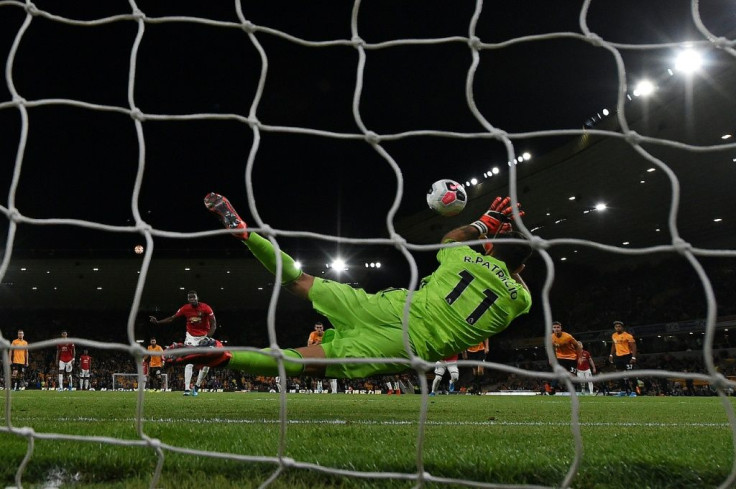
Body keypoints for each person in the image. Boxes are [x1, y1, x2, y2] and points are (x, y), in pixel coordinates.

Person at [165, 192, 532, 381]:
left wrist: (486, 222)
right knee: (301, 362)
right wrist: (513, 252)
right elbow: (513, 274)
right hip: (406, 344)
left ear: (487, 246)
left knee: (301, 279)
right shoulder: (521, 299)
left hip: (390, 307)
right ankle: (225, 355)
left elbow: (453, 236)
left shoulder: (463, 257)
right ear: (523, 266)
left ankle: (247, 235)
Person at [150, 290, 217, 396]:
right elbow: (172, 318)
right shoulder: (185, 308)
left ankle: (196, 386)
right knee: (189, 361)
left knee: (206, 364)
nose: (192, 299)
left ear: (197, 297)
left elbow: (214, 324)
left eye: (193, 297)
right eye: (190, 298)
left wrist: (207, 338)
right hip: (191, 337)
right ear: (188, 299)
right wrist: (158, 322)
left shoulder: (206, 308)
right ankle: (186, 389)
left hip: (204, 337)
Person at [549, 321, 583, 393]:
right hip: (560, 357)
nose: (556, 329)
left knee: (572, 375)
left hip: (572, 357)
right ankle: (552, 388)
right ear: (552, 329)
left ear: (561, 328)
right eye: (554, 327)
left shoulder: (568, 336)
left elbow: (577, 346)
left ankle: (577, 388)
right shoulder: (551, 337)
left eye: (558, 327)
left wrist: (580, 357)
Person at [306, 321, 339, 393]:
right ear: (315, 328)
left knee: (331, 371)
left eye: (320, 327)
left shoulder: (326, 335)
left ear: (323, 328)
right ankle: (309, 389)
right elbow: (309, 346)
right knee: (309, 373)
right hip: (315, 356)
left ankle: (334, 391)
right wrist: (317, 344)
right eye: (317, 327)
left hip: (325, 355)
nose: (319, 329)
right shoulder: (312, 334)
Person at [609, 320, 637, 396]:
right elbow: (613, 345)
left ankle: (633, 392)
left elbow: (633, 347)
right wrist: (611, 355)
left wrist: (633, 357)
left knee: (631, 375)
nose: (617, 328)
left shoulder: (628, 336)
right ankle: (623, 391)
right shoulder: (614, 335)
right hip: (618, 357)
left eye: (619, 326)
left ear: (622, 327)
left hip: (627, 356)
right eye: (616, 326)